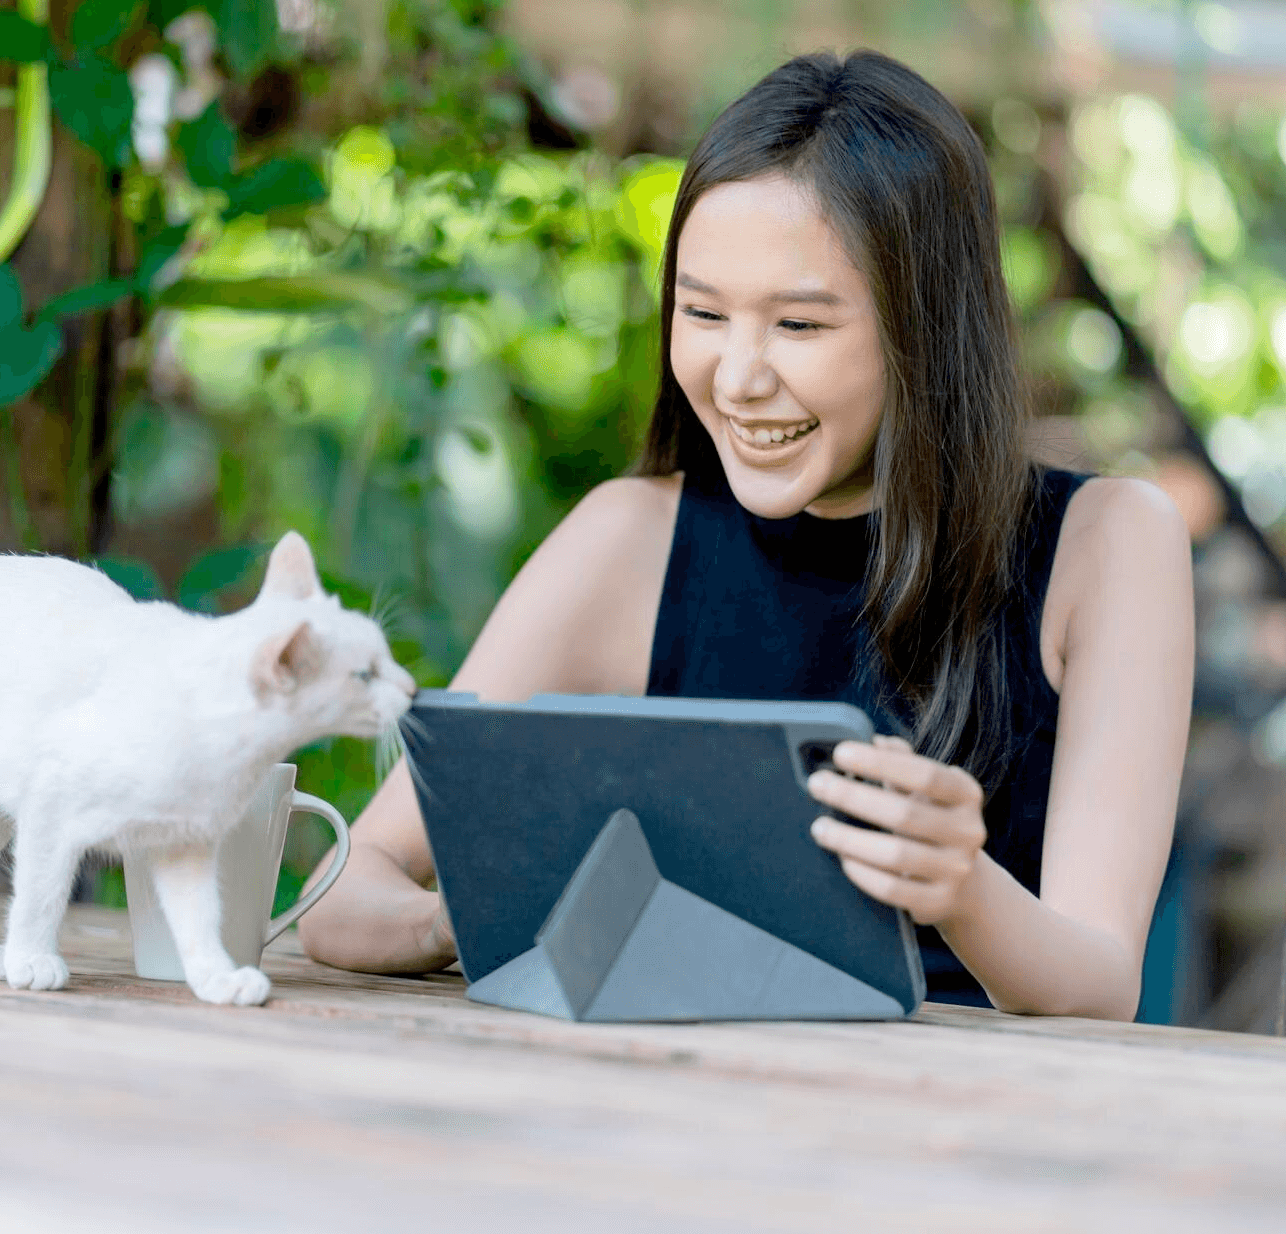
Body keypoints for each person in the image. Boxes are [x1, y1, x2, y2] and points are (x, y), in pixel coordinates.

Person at [296, 49, 1194, 1019]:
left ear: (926, 327)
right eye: (702, 313)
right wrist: (488, 920)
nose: (736, 376)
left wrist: (962, 889)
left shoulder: (1105, 545)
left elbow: (1101, 982)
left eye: (798, 326)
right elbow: (339, 891)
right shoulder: (625, 538)